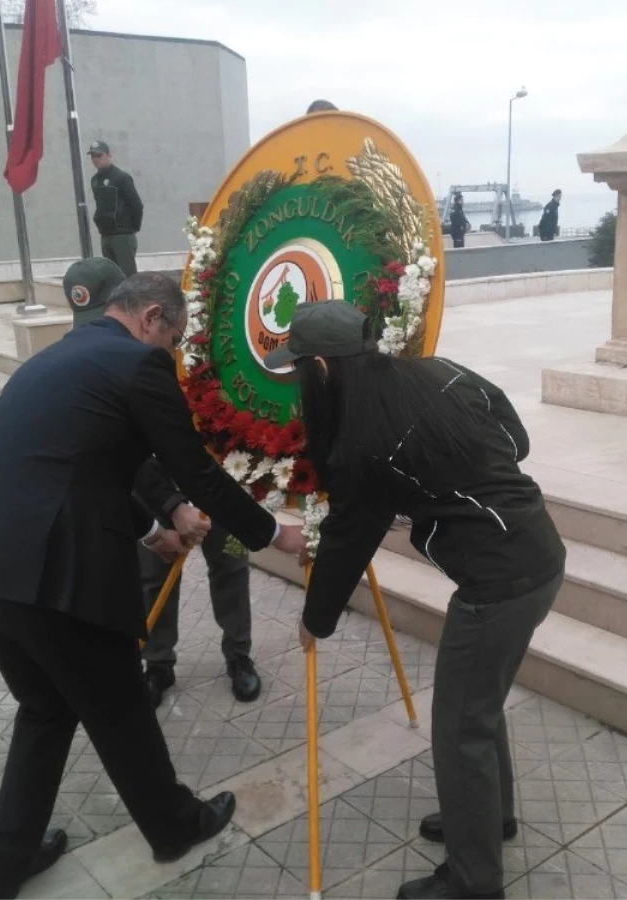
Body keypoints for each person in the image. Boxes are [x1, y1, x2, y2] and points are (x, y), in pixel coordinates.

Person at [0, 273, 304, 900]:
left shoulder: (51, 362)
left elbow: (73, 465)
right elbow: (197, 476)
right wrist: (273, 535)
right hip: (52, 585)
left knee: (47, 710)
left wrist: (152, 528)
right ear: (152, 316)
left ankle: (9, 862)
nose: (172, 355)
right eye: (174, 339)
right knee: (122, 710)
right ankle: (175, 826)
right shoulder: (137, 364)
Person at [266, 302, 566, 900]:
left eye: (299, 369)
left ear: (321, 367)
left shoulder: (362, 440)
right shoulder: (437, 372)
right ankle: (488, 819)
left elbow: (352, 533)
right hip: (532, 556)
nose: (300, 382)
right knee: (476, 711)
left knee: (459, 728)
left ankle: (473, 881)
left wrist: (314, 618)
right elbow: (514, 436)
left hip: (499, 583)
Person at [62, 257, 263, 707]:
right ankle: (158, 663)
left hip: (220, 480)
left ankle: (239, 656)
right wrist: (171, 501)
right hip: (155, 488)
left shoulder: (196, 342)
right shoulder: (101, 357)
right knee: (152, 574)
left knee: (231, 565)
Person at [88, 139, 144, 276]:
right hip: (106, 234)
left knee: (127, 276)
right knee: (111, 276)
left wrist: (131, 228)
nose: (96, 159)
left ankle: (131, 299)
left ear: (108, 155)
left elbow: (136, 205)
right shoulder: (95, 180)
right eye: (93, 156)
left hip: (122, 235)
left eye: (99, 155)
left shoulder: (121, 177)